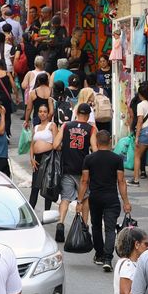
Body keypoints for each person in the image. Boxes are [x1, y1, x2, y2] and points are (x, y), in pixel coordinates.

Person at [78, 131, 131, 271]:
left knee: (96, 226)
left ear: (96, 141)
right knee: (110, 228)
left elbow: (84, 181)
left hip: (95, 197)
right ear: (109, 142)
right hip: (111, 198)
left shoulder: (89, 159)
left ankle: (99, 254)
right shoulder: (117, 159)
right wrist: (126, 202)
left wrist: (79, 201)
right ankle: (108, 258)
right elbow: (121, 181)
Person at [54, 104, 97, 242]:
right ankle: (84, 227)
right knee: (85, 199)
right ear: (89, 115)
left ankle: (60, 223)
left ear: (77, 112)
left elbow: (55, 145)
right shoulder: (91, 129)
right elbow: (95, 150)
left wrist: (64, 147)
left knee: (65, 198)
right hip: (83, 169)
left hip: (67, 167)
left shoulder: (66, 125)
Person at [28, 102, 57, 211]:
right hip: (37, 159)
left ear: (48, 113)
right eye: (40, 111)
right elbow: (32, 144)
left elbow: (56, 143)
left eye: (45, 112)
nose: (42, 114)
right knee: (34, 187)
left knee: (47, 187)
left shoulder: (52, 125)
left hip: (48, 158)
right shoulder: (35, 127)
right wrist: (31, 158)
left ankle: (47, 212)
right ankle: (31, 212)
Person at [0, 60, 17, 139]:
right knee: (7, 116)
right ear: (1, 65)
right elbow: (13, 85)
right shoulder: (7, 74)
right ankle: (7, 133)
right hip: (6, 98)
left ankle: (0, 132)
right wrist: (17, 96)